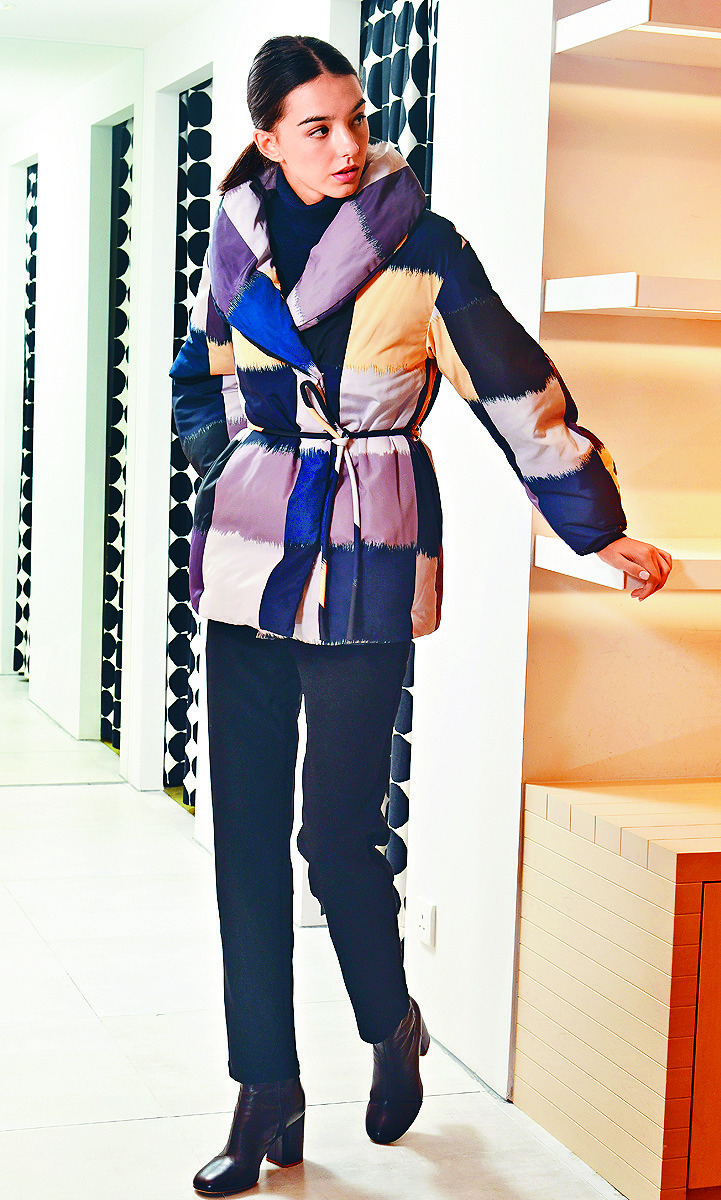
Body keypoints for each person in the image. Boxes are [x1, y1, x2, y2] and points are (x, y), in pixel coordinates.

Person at [170, 33, 672, 1197]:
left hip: (366, 556)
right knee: (244, 839)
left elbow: (517, 391)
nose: (347, 144)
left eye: (356, 118)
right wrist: (222, 461)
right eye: (316, 128)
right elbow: (201, 377)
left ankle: (389, 1024)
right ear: (267, 140)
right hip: (249, 556)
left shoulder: (423, 247)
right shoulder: (234, 247)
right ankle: (265, 1090)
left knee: (335, 836)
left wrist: (595, 527)